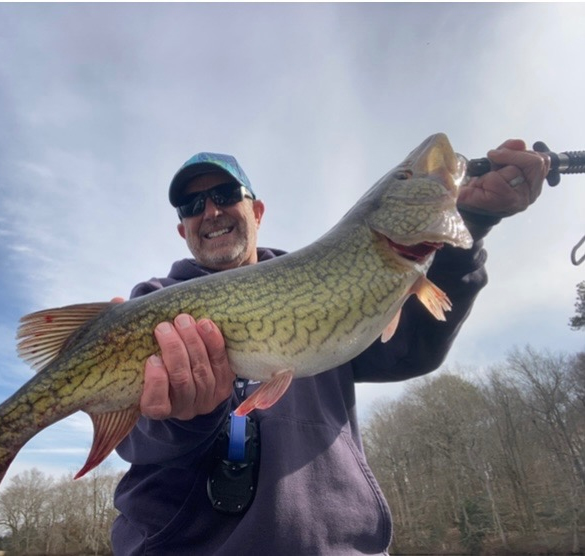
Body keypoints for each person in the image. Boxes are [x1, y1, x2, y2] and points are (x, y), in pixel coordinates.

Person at [111, 143, 549, 555]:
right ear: (182, 228)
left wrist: (471, 220)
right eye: (192, 205)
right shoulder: (153, 301)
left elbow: (410, 349)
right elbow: (132, 437)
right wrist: (186, 420)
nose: (210, 210)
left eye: (225, 193)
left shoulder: (333, 284)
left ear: (257, 211)